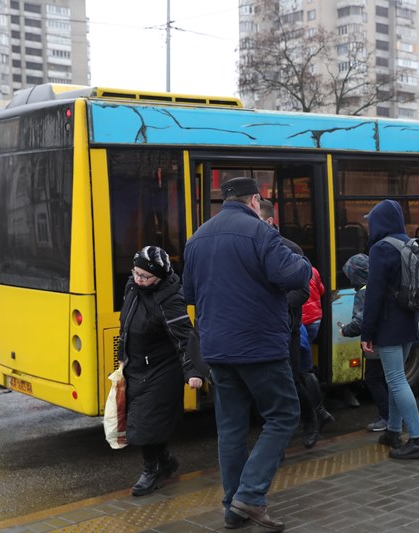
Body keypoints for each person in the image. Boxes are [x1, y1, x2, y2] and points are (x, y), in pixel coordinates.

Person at [183, 177, 311, 532]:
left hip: (217, 350)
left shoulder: (198, 237)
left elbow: (189, 292)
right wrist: (303, 263)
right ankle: (250, 496)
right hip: (259, 348)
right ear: (255, 200)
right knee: (284, 415)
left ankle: (232, 508)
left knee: (230, 428)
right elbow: (293, 274)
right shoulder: (260, 233)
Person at [119, 246, 209, 497]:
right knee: (146, 421)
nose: (138, 279)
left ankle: (151, 472)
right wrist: (121, 358)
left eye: (144, 276)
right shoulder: (132, 288)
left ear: (159, 276)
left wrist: (193, 370)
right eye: (136, 273)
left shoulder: (169, 298)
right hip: (137, 366)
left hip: (161, 369)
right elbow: (125, 327)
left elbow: (184, 336)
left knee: (143, 424)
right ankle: (165, 462)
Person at [360, 199, 419, 460]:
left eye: (372, 220)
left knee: (396, 380)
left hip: (389, 325)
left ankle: (418, 439)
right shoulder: (409, 244)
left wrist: (366, 333)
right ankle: (392, 431)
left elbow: (374, 294)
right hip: (410, 321)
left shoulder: (381, 249)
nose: (369, 225)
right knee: (396, 377)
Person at [259, 200, 333, 450]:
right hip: (264, 328)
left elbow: (303, 292)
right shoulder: (250, 246)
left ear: (269, 222)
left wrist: (271, 306)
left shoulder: (290, 249)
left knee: (292, 377)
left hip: (287, 326)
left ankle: (313, 418)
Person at [339, 253, 389, 432]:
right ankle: (394, 417)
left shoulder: (363, 292)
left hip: (374, 343)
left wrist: (345, 330)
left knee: (374, 379)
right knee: (389, 379)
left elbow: (361, 322)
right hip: (388, 339)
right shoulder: (379, 285)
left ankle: (385, 417)